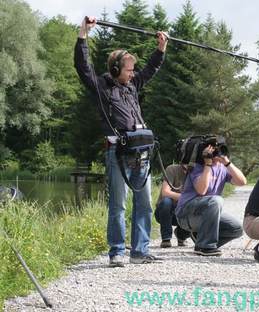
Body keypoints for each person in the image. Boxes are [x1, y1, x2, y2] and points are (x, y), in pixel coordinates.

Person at [74, 16, 168, 267]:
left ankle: (140, 251)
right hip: (118, 153)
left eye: (132, 70)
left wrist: (160, 49)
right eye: (128, 70)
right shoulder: (102, 87)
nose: (133, 73)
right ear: (116, 70)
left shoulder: (133, 85)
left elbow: (150, 70)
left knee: (144, 204)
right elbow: (83, 67)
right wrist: (83, 34)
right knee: (118, 205)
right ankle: (116, 251)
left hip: (142, 154)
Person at [175, 144, 247, 256]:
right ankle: (205, 246)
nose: (216, 155)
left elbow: (242, 182)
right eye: (213, 152)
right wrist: (207, 164)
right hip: (186, 214)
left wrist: (227, 163)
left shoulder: (222, 168)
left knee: (236, 228)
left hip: (205, 215)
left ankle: (201, 240)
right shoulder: (197, 167)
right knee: (216, 200)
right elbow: (202, 191)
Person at [155, 164, 191, 248]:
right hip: (165, 211)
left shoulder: (199, 171)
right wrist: (185, 198)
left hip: (185, 211)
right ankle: (166, 239)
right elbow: (165, 192)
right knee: (166, 201)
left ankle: (181, 236)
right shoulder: (172, 169)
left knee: (197, 207)